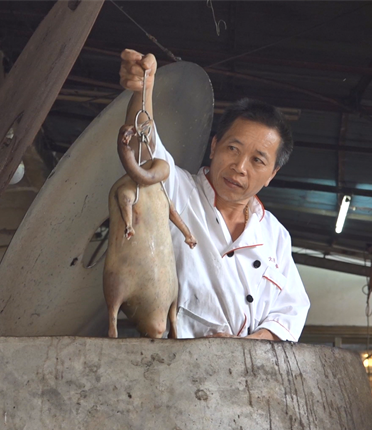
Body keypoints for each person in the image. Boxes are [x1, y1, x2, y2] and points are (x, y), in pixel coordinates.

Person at [119, 49, 310, 341]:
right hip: (174, 363)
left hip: (251, 370)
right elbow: (142, 151)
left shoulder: (275, 234)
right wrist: (144, 90)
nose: (239, 167)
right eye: (232, 149)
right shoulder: (178, 191)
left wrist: (245, 347)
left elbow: (291, 311)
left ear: (272, 174)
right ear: (214, 147)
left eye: (257, 160)